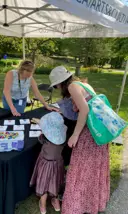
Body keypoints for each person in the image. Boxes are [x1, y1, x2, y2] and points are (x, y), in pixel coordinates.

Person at [49, 66, 110, 214]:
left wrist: (75, 134)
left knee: (81, 166)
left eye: (56, 85)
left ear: (60, 82)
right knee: (93, 168)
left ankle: (78, 204)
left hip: (90, 132)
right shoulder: (82, 83)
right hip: (99, 131)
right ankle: (91, 201)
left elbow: (85, 109)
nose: (57, 88)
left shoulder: (72, 87)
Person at [30, 112, 67, 214]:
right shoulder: (62, 140)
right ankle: (56, 202)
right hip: (57, 164)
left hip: (45, 165)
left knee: (44, 185)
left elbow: (40, 137)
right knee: (55, 182)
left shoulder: (44, 138)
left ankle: (43, 205)